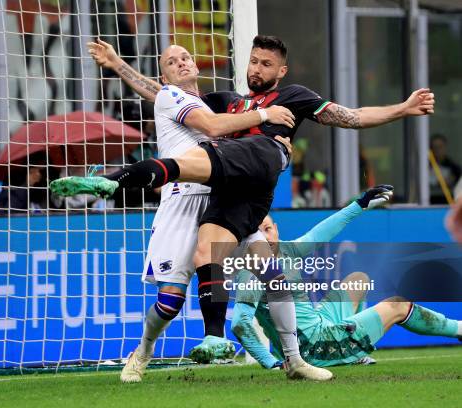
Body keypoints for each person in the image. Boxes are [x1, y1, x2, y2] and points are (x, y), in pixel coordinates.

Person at [51, 36, 434, 378]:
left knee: (267, 265)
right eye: (253, 61)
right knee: (184, 291)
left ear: (281, 71)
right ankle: (157, 348)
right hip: (205, 199)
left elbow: (351, 116)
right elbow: (166, 94)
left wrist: (402, 108)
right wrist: (119, 66)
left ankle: (292, 359)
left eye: (266, 64)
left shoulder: (292, 96)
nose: (256, 68)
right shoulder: (226, 104)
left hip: (246, 183)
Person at [232, 187, 462, 368]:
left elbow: (319, 233)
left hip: (321, 326)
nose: (265, 236)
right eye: (258, 233)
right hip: (312, 348)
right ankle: (458, 328)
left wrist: (359, 205)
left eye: (268, 228)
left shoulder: (286, 249)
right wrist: (271, 363)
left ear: (276, 227)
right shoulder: (252, 269)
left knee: (358, 279)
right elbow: (240, 324)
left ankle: (354, 352)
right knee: (397, 305)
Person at [429, 134, 461, 204]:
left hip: (448, 203)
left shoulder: (454, 168)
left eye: (440, 147)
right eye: (434, 147)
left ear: (445, 147)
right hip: (430, 202)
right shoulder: (424, 168)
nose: (437, 150)